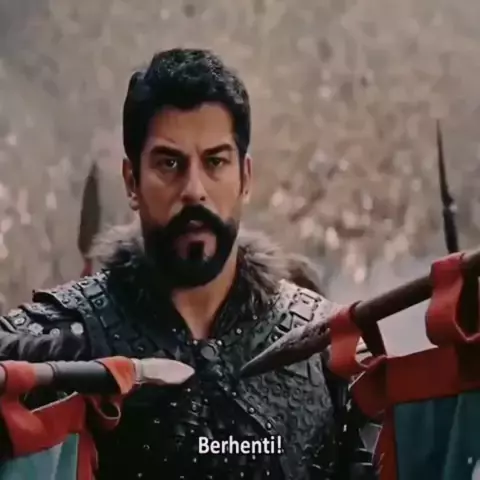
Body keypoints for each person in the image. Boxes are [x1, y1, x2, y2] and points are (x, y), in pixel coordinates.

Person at [0, 49, 377, 479]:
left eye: (215, 162)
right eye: (169, 163)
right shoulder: (56, 339)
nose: (194, 189)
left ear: (245, 178)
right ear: (132, 181)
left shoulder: (325, 345)